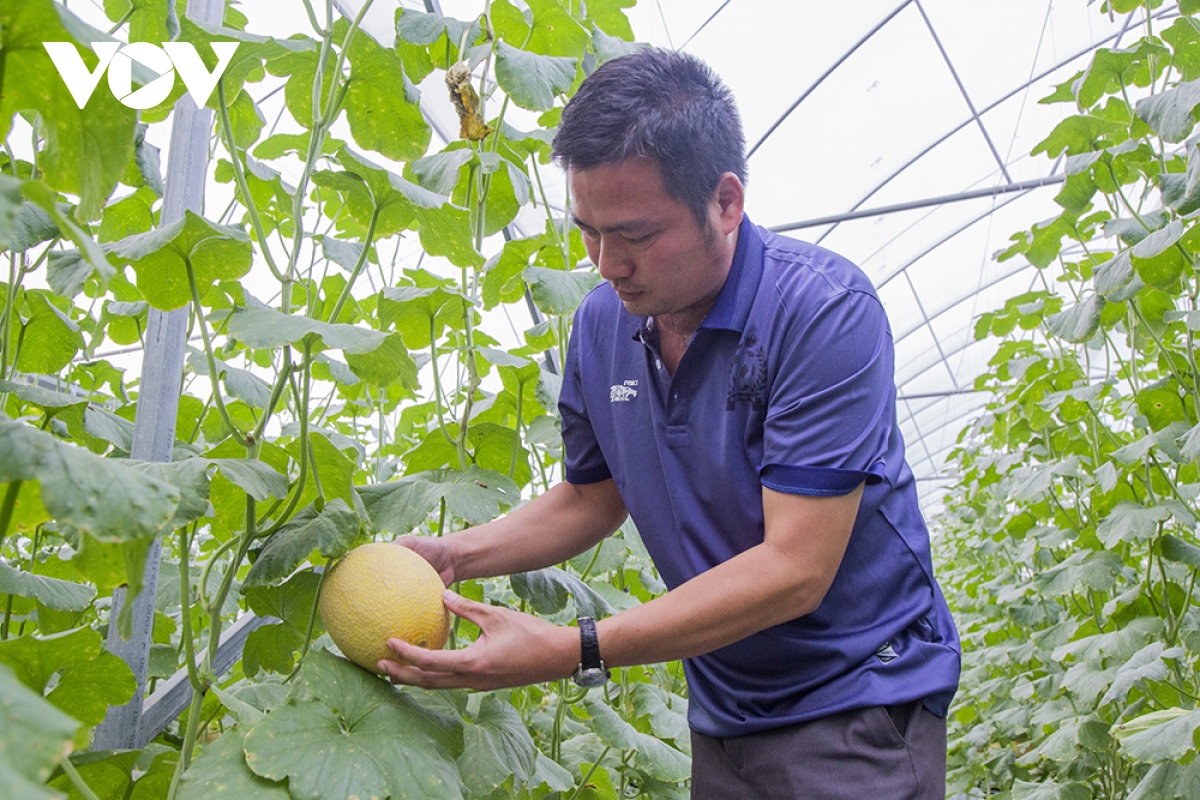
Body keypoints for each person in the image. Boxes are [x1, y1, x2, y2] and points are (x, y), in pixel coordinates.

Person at [379, 48, 961, 799]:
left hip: (855, 704)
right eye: (588, 231)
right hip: (723, 706)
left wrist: (572, 648)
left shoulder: (822, 313)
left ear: (725, 202)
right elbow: (592, 498)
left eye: (636, 235)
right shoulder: (601, 327)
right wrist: (456, 554)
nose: (606, 263)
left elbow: (795, 571)